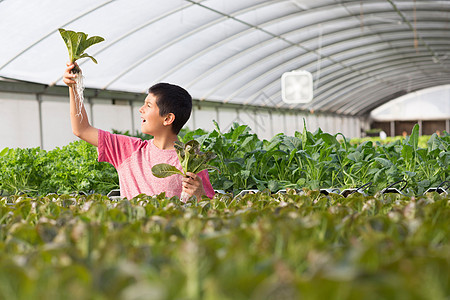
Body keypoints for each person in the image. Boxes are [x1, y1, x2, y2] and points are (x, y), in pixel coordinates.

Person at [62, 63, 215, 201]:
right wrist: (74, 88)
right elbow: (81, 129)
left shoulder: (191, 161)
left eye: (148, 105)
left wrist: (199, 193)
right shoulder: (128, 149)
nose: (141, 110)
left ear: (168, 119)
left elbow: (212, 210)